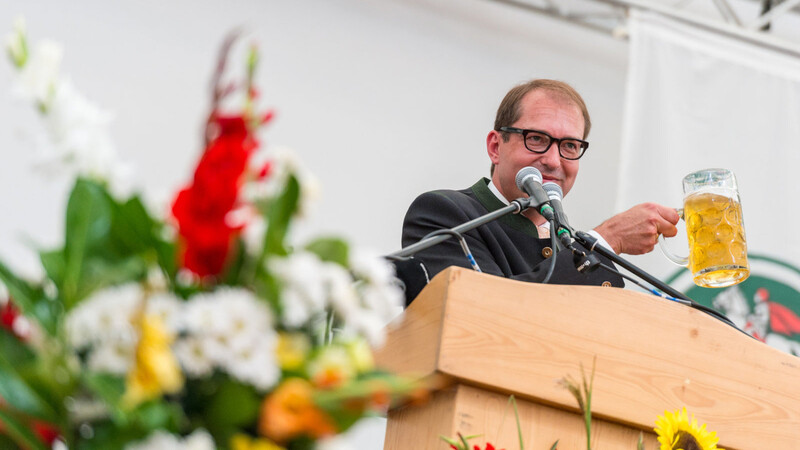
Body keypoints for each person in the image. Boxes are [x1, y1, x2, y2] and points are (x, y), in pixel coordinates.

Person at [399, 79, 680, 303]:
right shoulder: (445, 213)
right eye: (536, 139)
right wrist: (607, 240)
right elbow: (479, 311)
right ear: (496, 147)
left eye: (570, 146)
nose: (554, 161)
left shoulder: (569, 244)